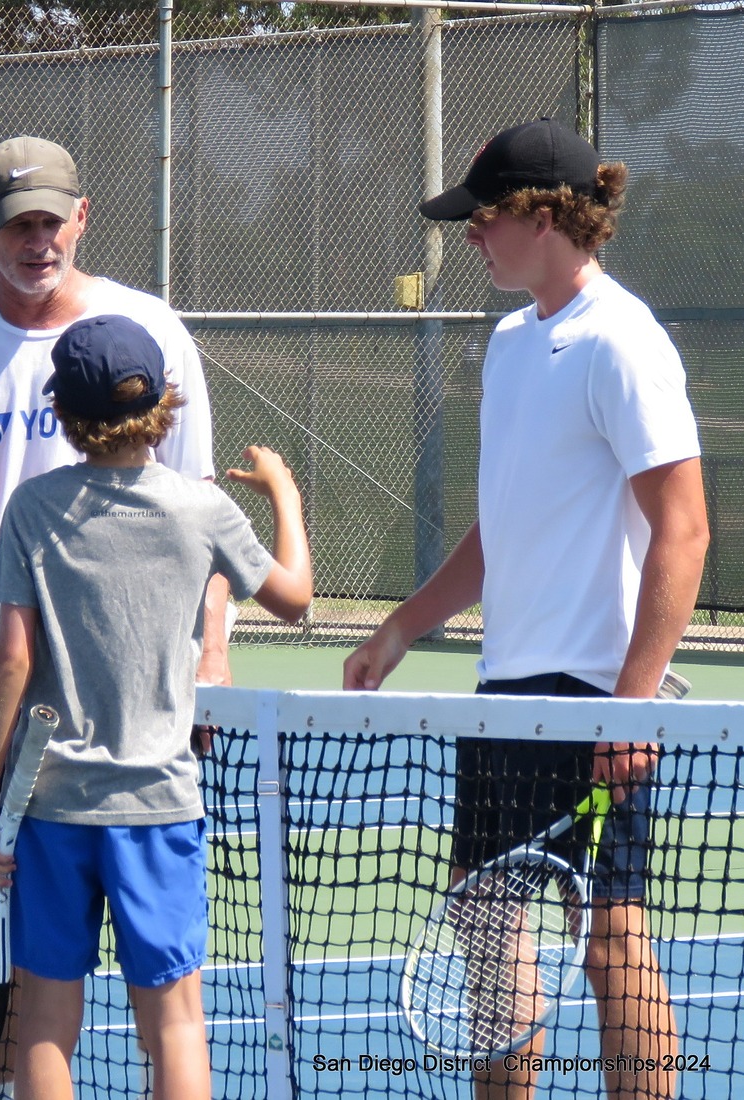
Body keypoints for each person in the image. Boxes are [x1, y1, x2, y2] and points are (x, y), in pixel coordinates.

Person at [344, 118, 709, 1100]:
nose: (469, 236)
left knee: (609, 939)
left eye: (483, 219)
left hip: (592, 692)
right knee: (486, 922)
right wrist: (402, 624)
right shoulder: (509, 344)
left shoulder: (623, 343)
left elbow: (683, 530)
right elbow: (498, 527)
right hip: (503, 691)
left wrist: (630, 706)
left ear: (543, 217)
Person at [0, 134, 228, 888]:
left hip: (137, 688)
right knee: (3, 907)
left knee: (145, 919)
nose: (37, 242)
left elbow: (206, 518)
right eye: (18, 224)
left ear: (81, 217)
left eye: (51, 221)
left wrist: (210, 657)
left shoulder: (154, 333)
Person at [0, 314, 313, 1100]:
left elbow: (12, 660)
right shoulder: (203, 509)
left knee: (47, 1019)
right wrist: (286, 493)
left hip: (51, 811)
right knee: (177, 1023)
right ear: (163, 403)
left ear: (66, 412)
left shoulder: (32, 506)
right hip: (160, 807)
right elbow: (295, 598)